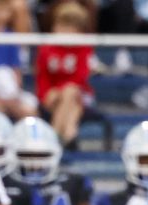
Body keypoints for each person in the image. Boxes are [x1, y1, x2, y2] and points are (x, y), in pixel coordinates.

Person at [35, 1, 94, 149]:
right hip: (53, 96)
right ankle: (69, 134)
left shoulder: (84, 48)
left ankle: (53, 136)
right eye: (61, 26)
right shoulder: (47, 48)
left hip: (80, 93)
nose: (64, 31)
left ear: (79, 31)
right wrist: (45, 95)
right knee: (71, 104)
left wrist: (60, 90)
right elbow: (42, 77)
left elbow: (80, 78)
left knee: (70, 92)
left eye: (70, 28)